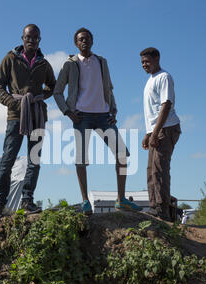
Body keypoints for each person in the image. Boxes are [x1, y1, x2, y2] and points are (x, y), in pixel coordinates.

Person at [54, 27, 141, 215]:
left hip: (103, 115)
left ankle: (121, 199)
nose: (84, 41)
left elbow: (109, 87)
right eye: (80, 39)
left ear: (92, 41)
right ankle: (85, 201)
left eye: (87, 39)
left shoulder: (102, 62)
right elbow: (57, 91)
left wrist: (114, 108)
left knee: (122, 155)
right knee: (81, 160)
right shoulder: (70, 64)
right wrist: (68, 112)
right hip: (81, 116)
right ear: (76, 43)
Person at [0, 24, 56, 218]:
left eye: (35, 38)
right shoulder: (10, 59)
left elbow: (53, 85)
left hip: (37, 114)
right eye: (28, 38)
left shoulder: (44, 63)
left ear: (39, 40)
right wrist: (11, 101)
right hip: (16, 115)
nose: (32, 41)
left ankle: (27, 200)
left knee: (34, 160)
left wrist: (41, 96)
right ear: (22, 38)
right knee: (8, 158)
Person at [140, 47, 181, 221]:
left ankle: (163, 210)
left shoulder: (164, 77)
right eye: (142, 62)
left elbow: (166, 105)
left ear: (157, 59)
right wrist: (148, 134)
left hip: (167, 128)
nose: (144, 65)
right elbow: (152, 110)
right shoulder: (150, 80)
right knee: (151, 170)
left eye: (147, 61)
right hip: (155, 131)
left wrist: (155, 132)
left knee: (160, 169)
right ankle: (154, 206)